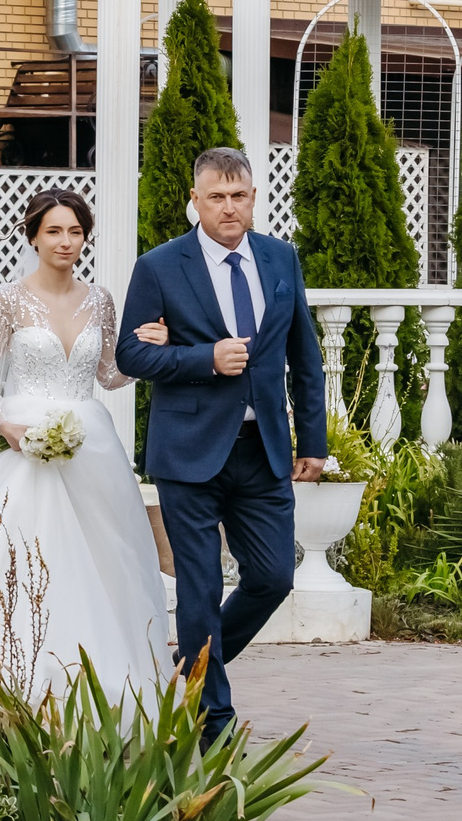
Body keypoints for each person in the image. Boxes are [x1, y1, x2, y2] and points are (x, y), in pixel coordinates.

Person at [116, 147, 328, 745]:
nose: (228, 207)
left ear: (254, 197)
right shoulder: (159, 267)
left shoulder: (280, 259)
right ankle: (213, 719)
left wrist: (313, 439)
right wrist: (202, 359)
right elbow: (131, 354)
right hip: (188, 451)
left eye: (239, 196)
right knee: (202, 586)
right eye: (216, 196)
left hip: (262, 449)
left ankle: (189, 673)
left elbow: (303, 356)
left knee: (273, 576)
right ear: (196, 200)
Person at [0, 188, 175, 703]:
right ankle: (23, 682)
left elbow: (108, 375)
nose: (66, 242)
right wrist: (6, 426)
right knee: (31, 556)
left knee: (107, 557)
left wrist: (150, 352)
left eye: (76, 231)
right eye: (55, 231)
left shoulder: (101, 301)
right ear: (34, 236)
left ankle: (107, 681)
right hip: (22, 449)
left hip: (90, 447)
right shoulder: (8, 301)